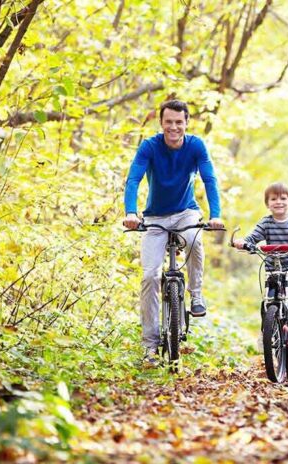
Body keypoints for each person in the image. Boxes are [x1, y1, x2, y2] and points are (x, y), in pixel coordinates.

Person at [123, 99, 224, 365]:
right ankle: (150, 347)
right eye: (169, 122)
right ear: (161, 123)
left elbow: (210, 179)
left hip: (185, 212)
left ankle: (196, 293)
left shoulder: (196, 146)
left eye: (179, 122)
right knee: (149, 276)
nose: (174, 127)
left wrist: (215, 215)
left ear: (186, 123)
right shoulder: (149, 146)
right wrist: (131, 213)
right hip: (154, 217)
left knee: (194, 239)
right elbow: (133, 179)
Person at [232, 182, 288, 351]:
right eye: (273, 199)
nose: (278, 202)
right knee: (268, 301)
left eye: (283, 198)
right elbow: (252, 238)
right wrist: (243, 243)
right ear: (267, 204)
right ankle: (266, 332)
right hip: (273, 267)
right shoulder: (265, 223)